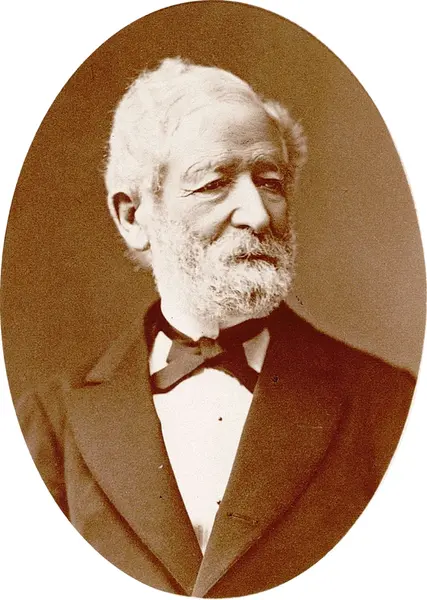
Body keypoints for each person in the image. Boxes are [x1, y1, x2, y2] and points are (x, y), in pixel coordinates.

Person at [14, 58, 415, 597]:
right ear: (133, 217)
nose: (257, 213)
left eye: (269, 182)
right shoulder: (46, 428)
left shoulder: (389, 408)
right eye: (213, 183)